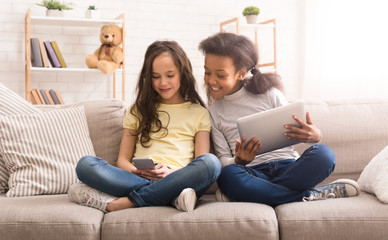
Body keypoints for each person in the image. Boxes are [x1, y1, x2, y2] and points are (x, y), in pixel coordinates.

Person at [198, 32, 360, 207]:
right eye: (207, 72)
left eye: (220, 75)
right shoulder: (214, 112)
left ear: (241, 73)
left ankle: (255, 194)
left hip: (289, 166)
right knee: (228, 176)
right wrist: (238, 160)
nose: (211, 80)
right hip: (251, 173)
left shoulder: (269, 94)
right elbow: (223, 160)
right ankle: (310, 195)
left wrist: (315, 136)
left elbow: (297, 129)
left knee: (325, 154)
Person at [68, 40, 221, 212]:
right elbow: (122, 161)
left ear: (183, 73)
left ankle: (127, 202)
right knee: (85, 164)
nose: (163, 83)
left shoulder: (199, 113)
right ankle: (171, 197)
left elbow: (200, 161)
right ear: (148, 77)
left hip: (177, 177)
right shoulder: (137, 110)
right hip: (136, 178)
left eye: (170, 75)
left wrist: (170, 175)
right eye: (156, 77)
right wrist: (137, 171)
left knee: (211, 163)